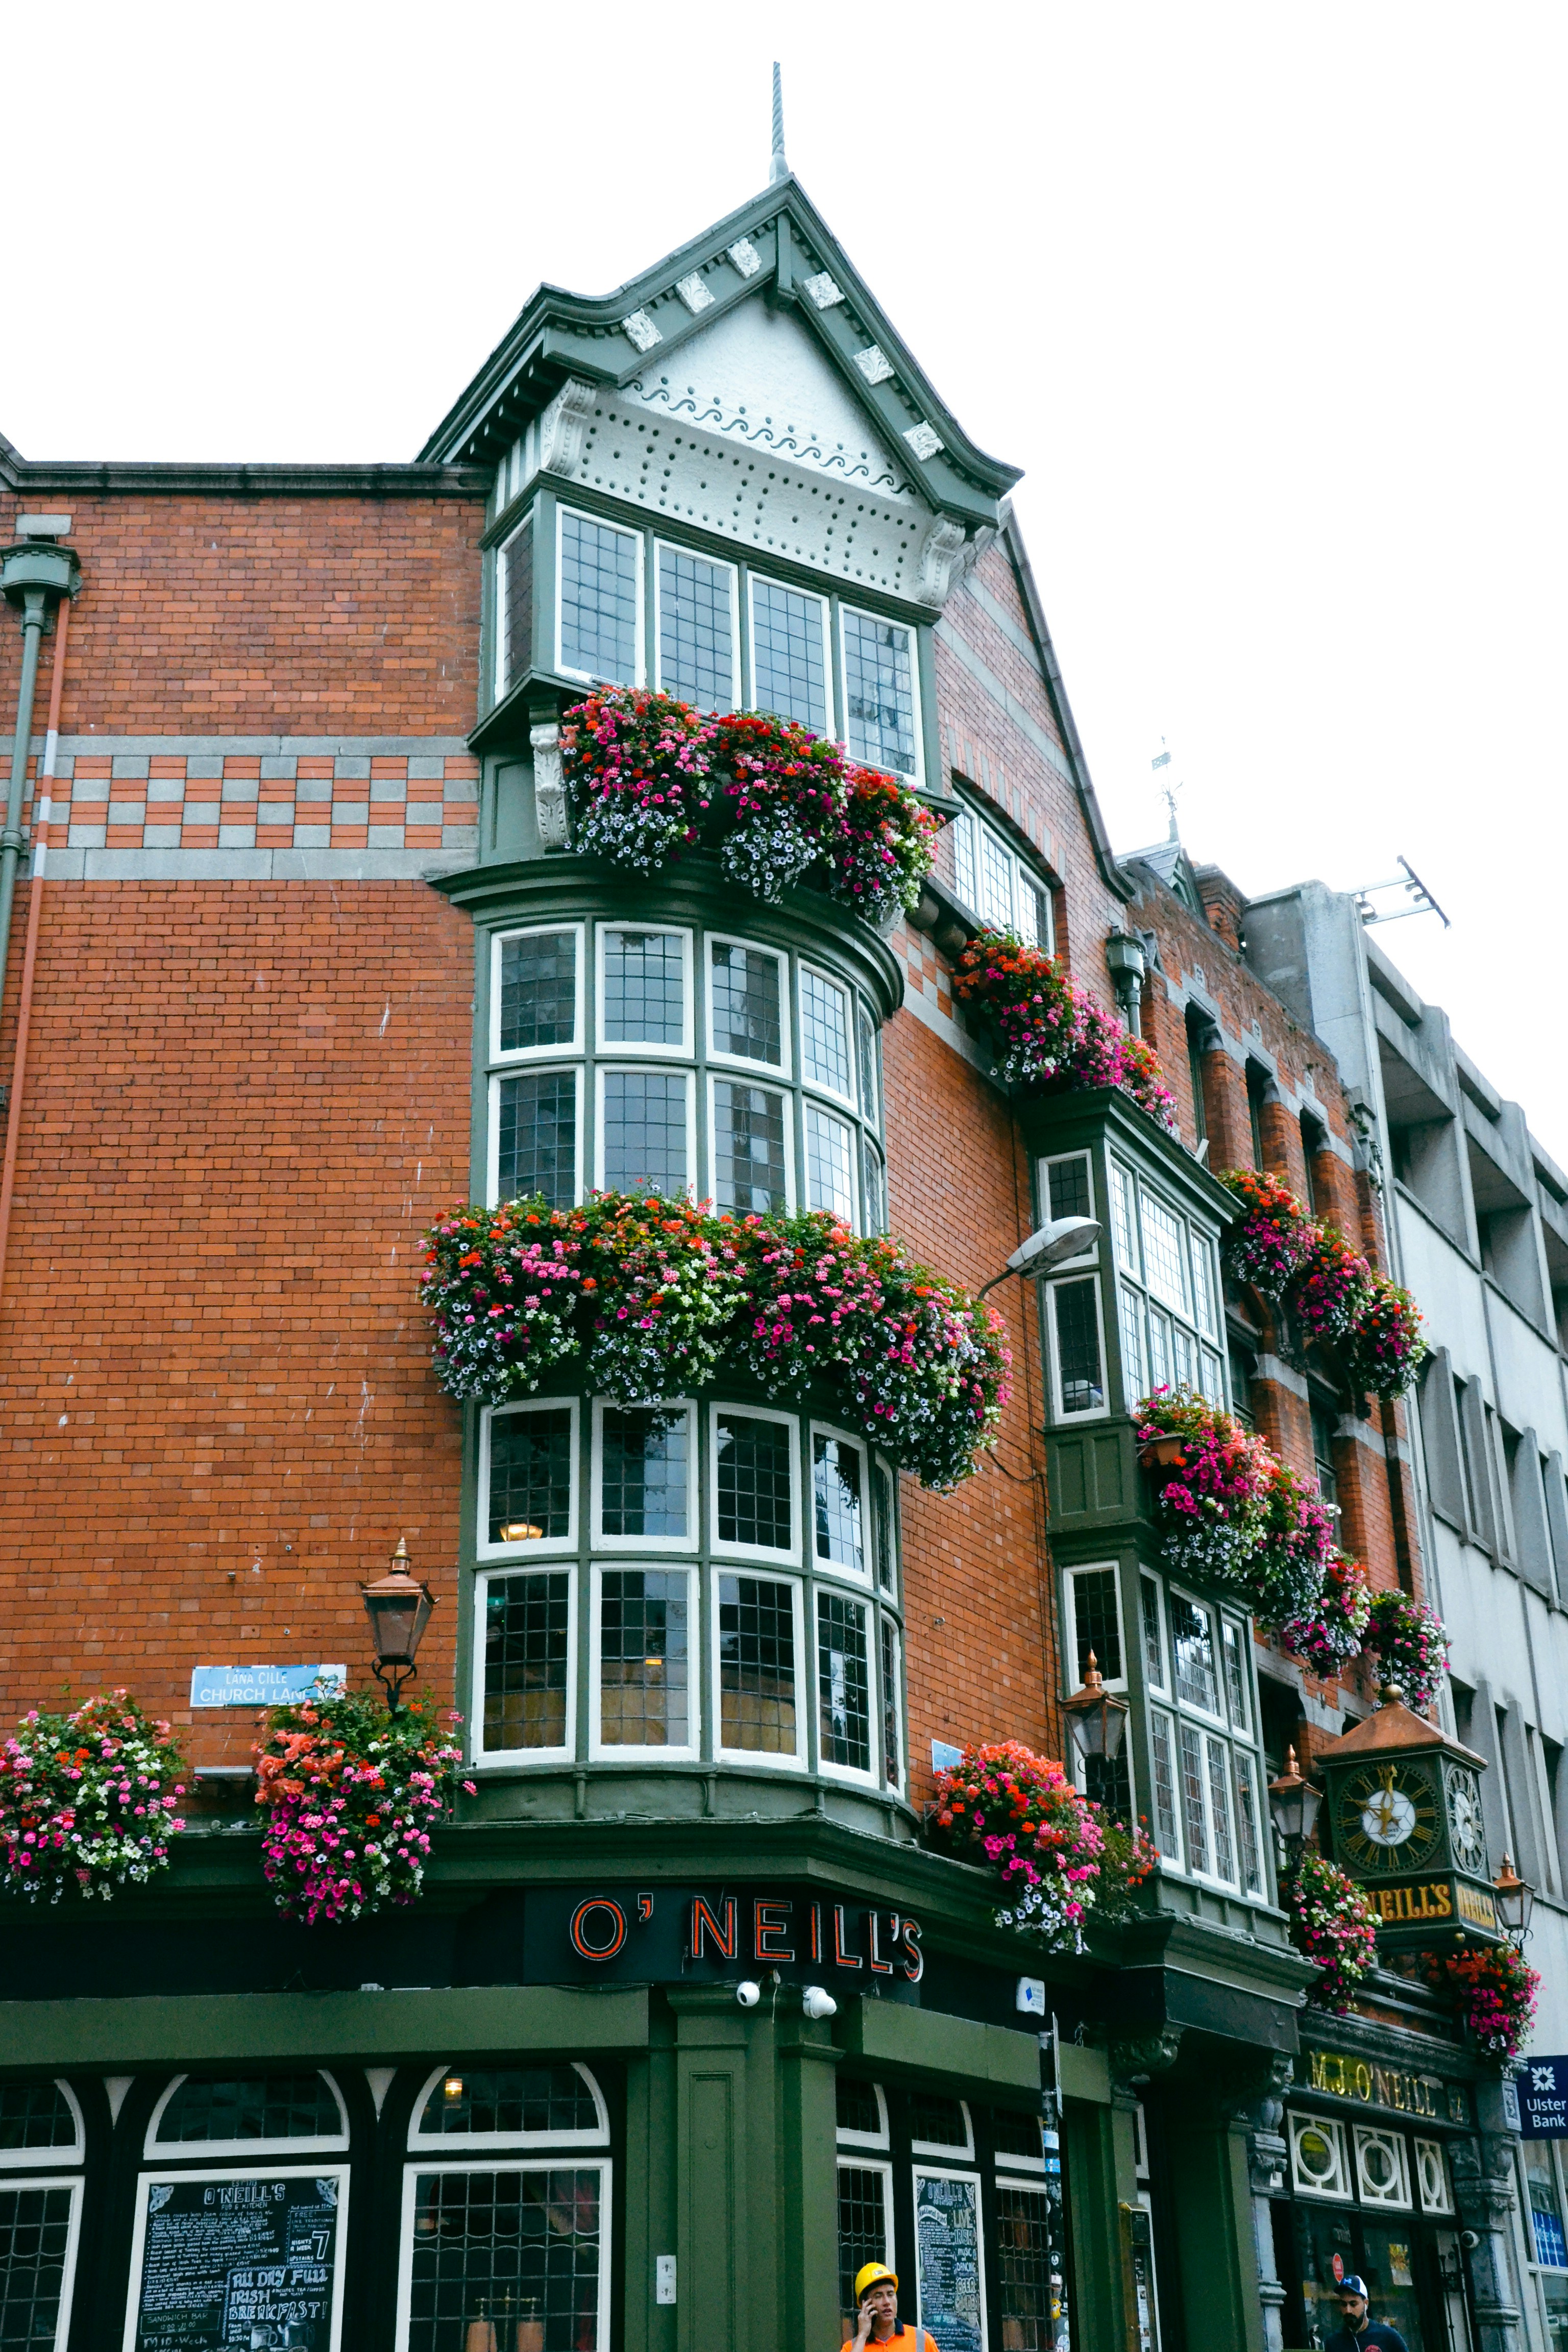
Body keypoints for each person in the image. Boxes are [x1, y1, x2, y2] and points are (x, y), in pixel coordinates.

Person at [848, 2263, 937, 2352]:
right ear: (865, 2305)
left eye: (890, 2294)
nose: (887, 2302)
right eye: (878, 2296)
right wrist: (862, 2335)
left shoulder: (923, 2340)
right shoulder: (852, 2348)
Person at [1324, 2275, 1408, 2352]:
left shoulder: (1388, 2336)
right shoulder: (1333, 2342)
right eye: (1344, 2304)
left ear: (1366, 2303)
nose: (1348, 2310)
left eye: (1353, 2304)